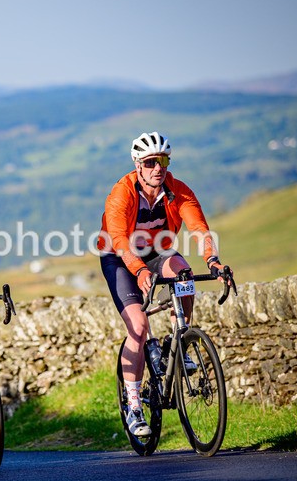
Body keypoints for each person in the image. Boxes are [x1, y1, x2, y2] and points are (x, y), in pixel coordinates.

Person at [97, 132, 233, 437]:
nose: (158, 168)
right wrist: (139, 270)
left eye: (163, 161)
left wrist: (213, 261)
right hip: (119, 257)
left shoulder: (177, 190)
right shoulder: (121, 193)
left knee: (184, 275)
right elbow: (118, 240)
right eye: (150, 162)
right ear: (138, 165)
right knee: (138, 326)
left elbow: (199, 229)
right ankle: (134, 407)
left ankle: (176, 343)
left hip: (158, 252)